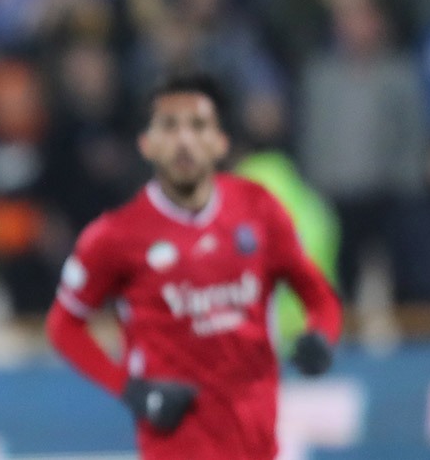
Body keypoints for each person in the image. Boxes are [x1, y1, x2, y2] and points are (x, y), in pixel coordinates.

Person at [45, 73, 342, 460]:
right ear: (147, 144)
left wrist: (320, 337)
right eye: (170, 127)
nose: (184, 141)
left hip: (258, 446)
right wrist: (131, 389)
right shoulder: (115, 236)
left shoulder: (259, 209)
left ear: (220, 142)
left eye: (198, 126)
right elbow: (64, 326)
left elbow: (318, 296)